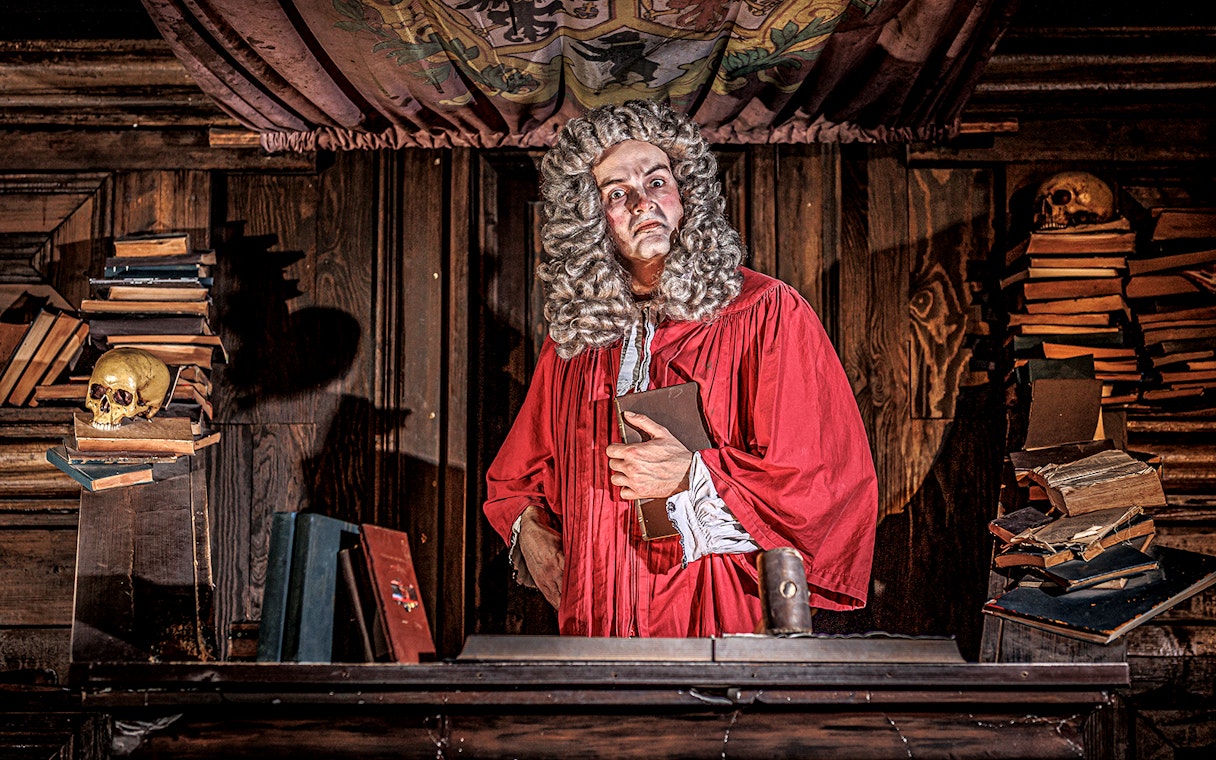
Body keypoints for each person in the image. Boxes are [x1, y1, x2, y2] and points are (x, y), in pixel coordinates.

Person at [483, 99, 877, 638]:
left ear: (686, 193)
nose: (643, 202)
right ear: (590, 218)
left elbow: (826, 483)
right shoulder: (577, 337)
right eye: (616, 193)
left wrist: (694, 475)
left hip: (717, 616)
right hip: (596, 620)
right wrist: (528, 527)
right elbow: (520, 474)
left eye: (657, 181)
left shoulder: (766, 311)